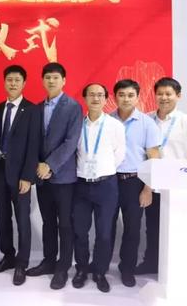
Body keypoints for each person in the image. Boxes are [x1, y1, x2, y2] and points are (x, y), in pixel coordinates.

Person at [135, 77, 187, 276]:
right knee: (153, 227)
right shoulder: (147, 120)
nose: (164, 97)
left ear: (178, 96)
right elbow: (144, 155)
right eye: (160, 93)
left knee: (178, 227)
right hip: (153, 185)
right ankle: (151, 263)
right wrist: (147, 186)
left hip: (178, 186)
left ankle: (177, 266)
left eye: (168, 94)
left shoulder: (186, 121)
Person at [25, 62, 83, 290]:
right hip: (42, 177)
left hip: (63, 177)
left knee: (65, 224)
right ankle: (49, 261)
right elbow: (34, 141)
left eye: (56, 77)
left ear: (64, 81)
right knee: (48, 222)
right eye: (48, 77)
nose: (51, 81)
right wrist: (37, 167)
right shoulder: (38, 108)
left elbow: (71, 142)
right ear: (42, 80)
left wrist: (49, 165)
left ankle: (63, 267)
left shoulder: (73, 107)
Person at [71, 83, 125, 293]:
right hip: (81, 186)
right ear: (84, 98)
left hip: (106, 185)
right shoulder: (77, 124)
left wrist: (103, 171)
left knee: (104, 233)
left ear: (106, 99)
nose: (95, 98)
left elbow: (119, 155)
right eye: (91, 95)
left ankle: (100, 272)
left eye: (100, 95)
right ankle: (81, 269)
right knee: (80, 232)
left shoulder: (115, 126)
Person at [110, 79, 161, 288]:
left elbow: (154, 157)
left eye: (130, 95)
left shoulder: (147, 123)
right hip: (109, 181)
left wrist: (148, 188)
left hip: (135, 182)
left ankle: (127, 269)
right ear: (115, 97)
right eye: (121, 95)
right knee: (106, 227)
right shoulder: (107, 120)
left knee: (132, 229)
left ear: (138, 97)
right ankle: (101, 266)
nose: (126, 99)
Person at [0, 65, 34, 286]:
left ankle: (21, 263)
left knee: (23, 219)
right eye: (9, 80)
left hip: (20, 175)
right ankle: (8, 256)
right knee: (2, 217)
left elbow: (34, 146)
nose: (13, 83)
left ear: (24, 83)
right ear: (4, 82)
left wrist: (27, 176)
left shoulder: (32, 110)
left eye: (17, 80)